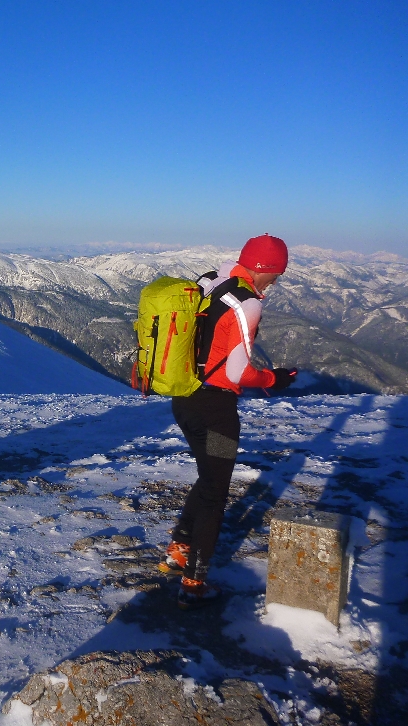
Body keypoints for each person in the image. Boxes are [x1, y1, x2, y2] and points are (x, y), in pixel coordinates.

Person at [158, 234, 297, 609]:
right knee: (217, 491)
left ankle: (179, 550)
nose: (275, 282)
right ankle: (194, 583)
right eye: (276, 275)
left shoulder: (211, 282)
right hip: (216, 414)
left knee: (208, 477)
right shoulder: (246, 304)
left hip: (184, 401)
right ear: (267, 270)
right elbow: (238, 373)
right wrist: (274, 379)